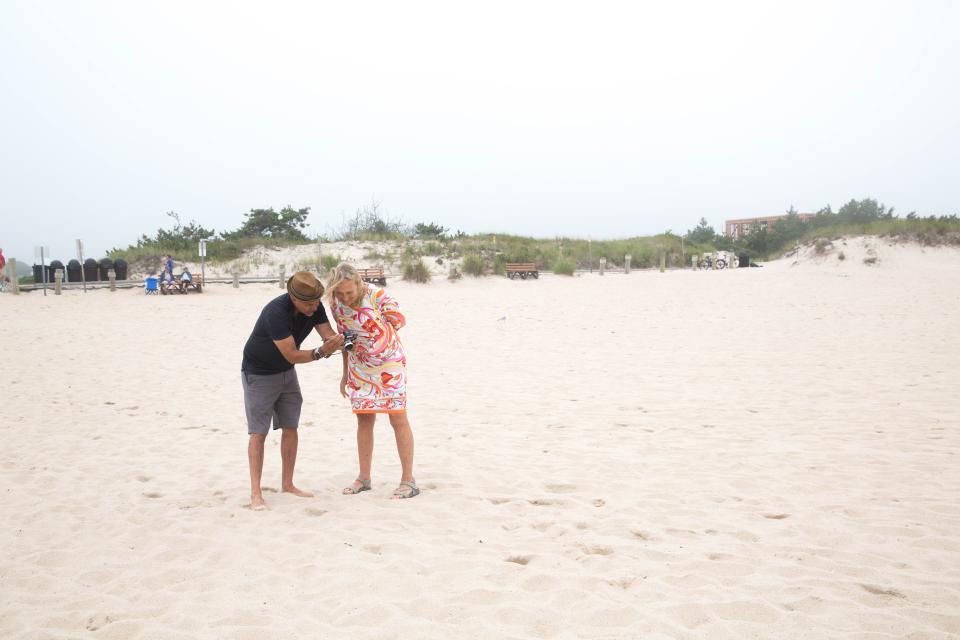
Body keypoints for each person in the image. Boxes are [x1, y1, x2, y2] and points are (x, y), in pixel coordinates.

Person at [242, 271, 344, 510]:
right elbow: (292, 354)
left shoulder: (314, 305)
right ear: (292, 297)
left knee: (291, 427)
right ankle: (256, 494)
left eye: (316, 302)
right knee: (258, 433)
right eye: (308, 304)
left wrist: (341, 341)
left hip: (287, 373)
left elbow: (328, 335)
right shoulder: (275, 313)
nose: (313, 307)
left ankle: (287, 484)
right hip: (258, 373)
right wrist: (321, 352)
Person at [326, 263, 419, 499]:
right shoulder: (336, 304)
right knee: (364, 420)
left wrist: (376, 337)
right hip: (360, 365)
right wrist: (345, 372)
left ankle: (408, 480)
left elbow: (398, 321)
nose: (345, 298)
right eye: (340, 293)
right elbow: (345, 339)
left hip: (389, 363)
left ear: (358, 284)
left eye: (349, 292)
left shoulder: (376, 295)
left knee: (398, 418)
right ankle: (364, 478)